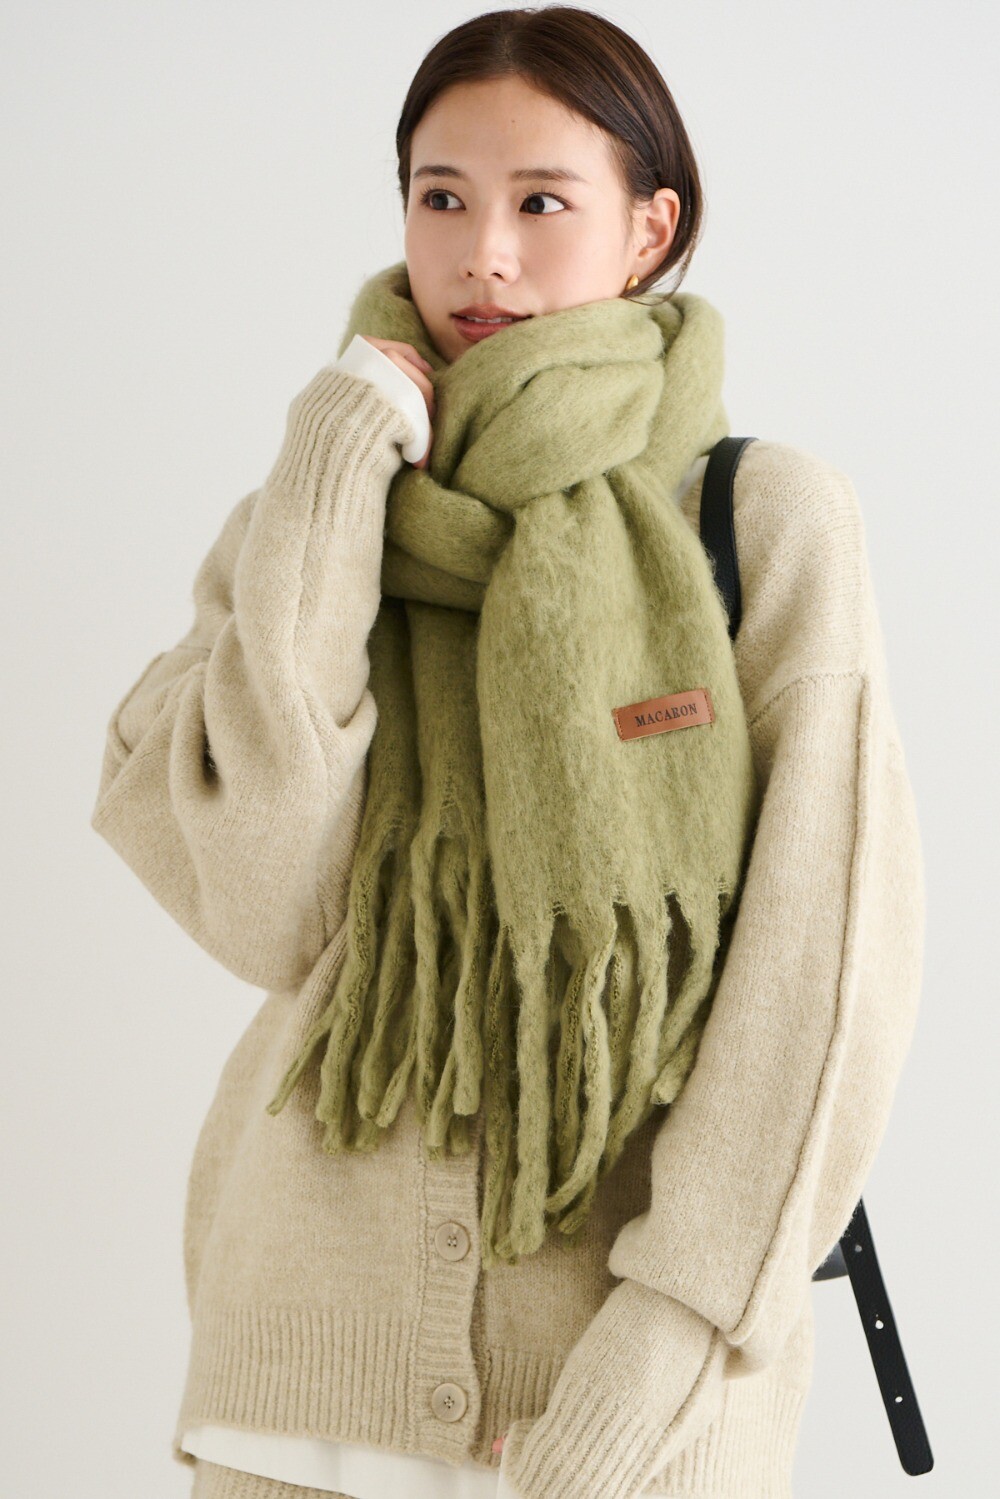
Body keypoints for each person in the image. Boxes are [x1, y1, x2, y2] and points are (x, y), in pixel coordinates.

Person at [90, 8, 925, 1499]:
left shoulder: (758, 520)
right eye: (442, 197)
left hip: (631, 1415)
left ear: (649, 228)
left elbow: (825, 980)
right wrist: (334, 466)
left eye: (542, 202)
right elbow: (264, 907)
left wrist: (651, 1366)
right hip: (295, 1400)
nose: (483, 255)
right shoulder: (308, 528)